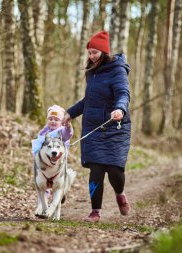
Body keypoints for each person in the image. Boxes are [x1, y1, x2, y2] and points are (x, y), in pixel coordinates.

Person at [62, 30, 131, 222]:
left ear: (104, 52)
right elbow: (88, 101)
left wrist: (120, 109)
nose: (91, 57)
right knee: (97, 170)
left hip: (116, 126)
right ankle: (95, 211)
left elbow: (123, 94)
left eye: (95, 52)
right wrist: (70, 113)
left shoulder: (117, 70)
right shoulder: (91, 73)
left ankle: (120, 194)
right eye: (89, 53)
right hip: (93, 128)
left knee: (115, 169)